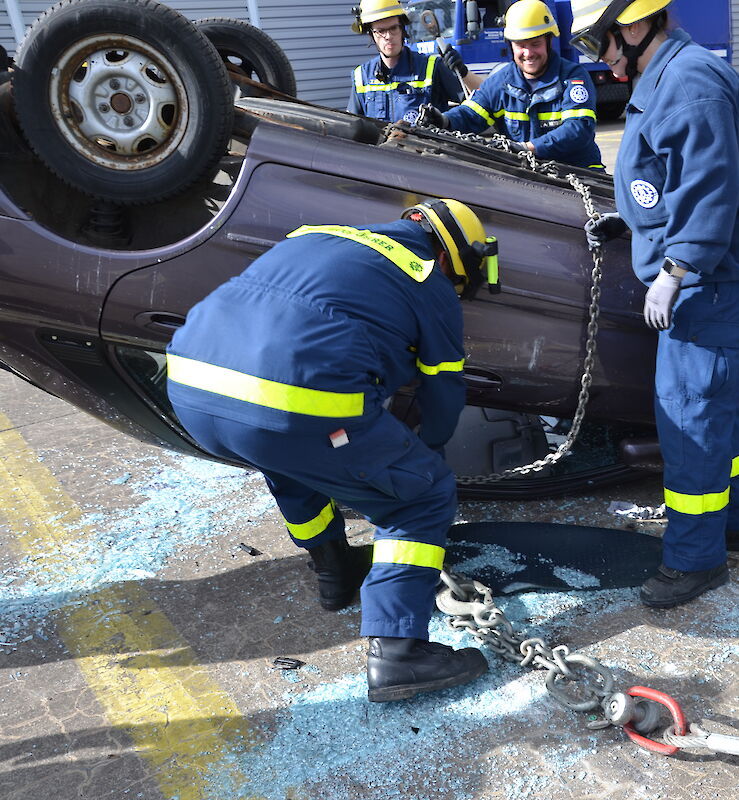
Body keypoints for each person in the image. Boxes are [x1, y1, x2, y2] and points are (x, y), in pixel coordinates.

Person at [164, 200, 499, 702]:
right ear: (455, 256)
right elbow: (444, 391)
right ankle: (400, 651)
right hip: (290, 402)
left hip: (191, 389)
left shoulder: (315, 235)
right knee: (420, 495)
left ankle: (333, 573)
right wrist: (423, 457)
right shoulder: (425, 276)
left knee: (290, 460)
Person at [573, 0, 739, 608]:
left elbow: (709, 188)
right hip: (708, 271)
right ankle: (735, 526)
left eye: (600, 42)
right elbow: (668, 178)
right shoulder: (663, 77)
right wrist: (635, 222)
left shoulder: (689, 84)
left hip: (709, 280)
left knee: (688, 415)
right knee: (711, 408)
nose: (600, 58)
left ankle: (695, 558)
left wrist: (677, 267)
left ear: (634, 27)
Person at [421, 0, 604, 170]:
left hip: (584, 176)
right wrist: (444, 120)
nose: (528, 52)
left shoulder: (573, 77)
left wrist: (527, 148)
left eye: (535, 44)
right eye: (520, 45)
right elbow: (470, 114)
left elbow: (578, 129)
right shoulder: (501, 83)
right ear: (510, 46)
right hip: (531, 178)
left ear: (549, 42)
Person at [347, 0, 482, 125]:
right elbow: (352, 126)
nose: (388, 36)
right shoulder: (361, 76)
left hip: (426, 150)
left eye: (393, 28)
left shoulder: (431, 67)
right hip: (380, 151)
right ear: (371, 34)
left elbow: (483, 101)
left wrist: (463, 72)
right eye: (381, 31)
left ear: (402, 28)